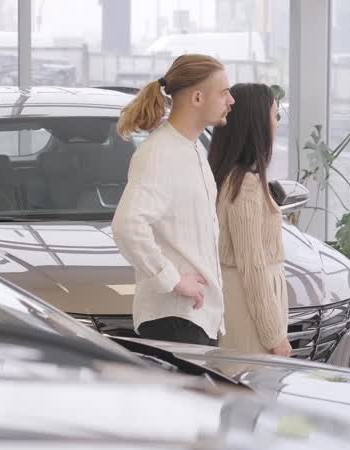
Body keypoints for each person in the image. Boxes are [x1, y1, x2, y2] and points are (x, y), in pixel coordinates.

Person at [112, 54, 235, 346]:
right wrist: (174, 280)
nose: (231, 100)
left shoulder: (191, 150)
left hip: (195, 319)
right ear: (197, 97)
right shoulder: (159, 153)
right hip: (175, 320)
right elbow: (127, 226)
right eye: (224, 92)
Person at [208, 83, 291, 357]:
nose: (276, 123)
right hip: (248, 314)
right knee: (252, 393)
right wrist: (275, 336)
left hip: (242, 307)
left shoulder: (233, 178)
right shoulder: (245, 185)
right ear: (256, 123)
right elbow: (252, 266)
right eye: (274, 115)